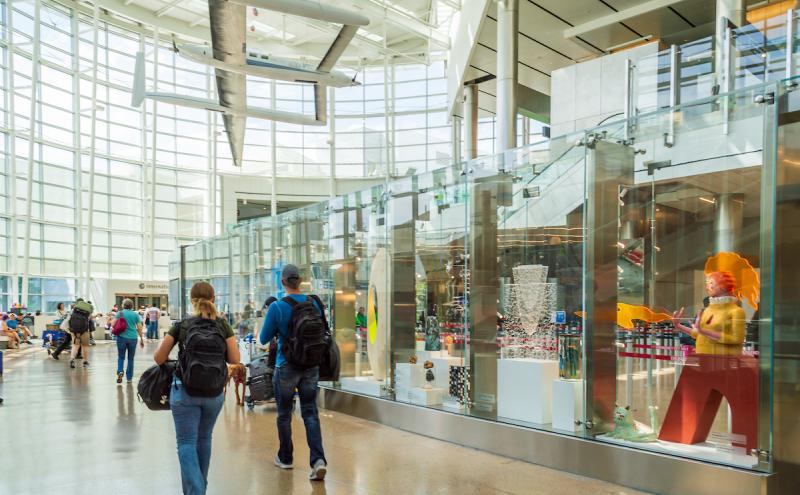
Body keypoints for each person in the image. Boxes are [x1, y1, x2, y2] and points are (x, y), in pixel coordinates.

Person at [154, 281, 240, 495]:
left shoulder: (182, 325)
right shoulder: (223, 325)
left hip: (185, 391)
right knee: (204, 440)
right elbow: (235, 359)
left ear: (191, 300)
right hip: (214, 393)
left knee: (186, 442)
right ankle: (198, 490)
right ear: (214, 298)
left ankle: (196, 491)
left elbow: (159, 358)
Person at [259, 264, 328, 481]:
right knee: (310, 412)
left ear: (283, 282)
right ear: (301, 281)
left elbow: (263, 338)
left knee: (284, 414)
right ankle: (318, 461)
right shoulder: (315, 302)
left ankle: (286, 458)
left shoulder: (277, 307)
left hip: (286, 366)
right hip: (311, 366)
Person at [114, 299, 144, 384]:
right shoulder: (135, 315)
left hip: (121, 337)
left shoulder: (120, 313)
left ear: (123, 305)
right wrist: (141, 339)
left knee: (121, 357)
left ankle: (120, 371)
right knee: (131, 358)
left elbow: (113, 324)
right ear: (132, 306)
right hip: (133, 338)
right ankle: (129, 378)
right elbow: (139, 327)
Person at [66, 298, 94, 368]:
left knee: (75, 345)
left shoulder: (73, 310)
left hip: (74, 330)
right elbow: (89, 319)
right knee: (84, 347)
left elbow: (68, 320)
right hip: (84, 330)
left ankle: (72, 359)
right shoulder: (87, 310)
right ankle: (85, 361)